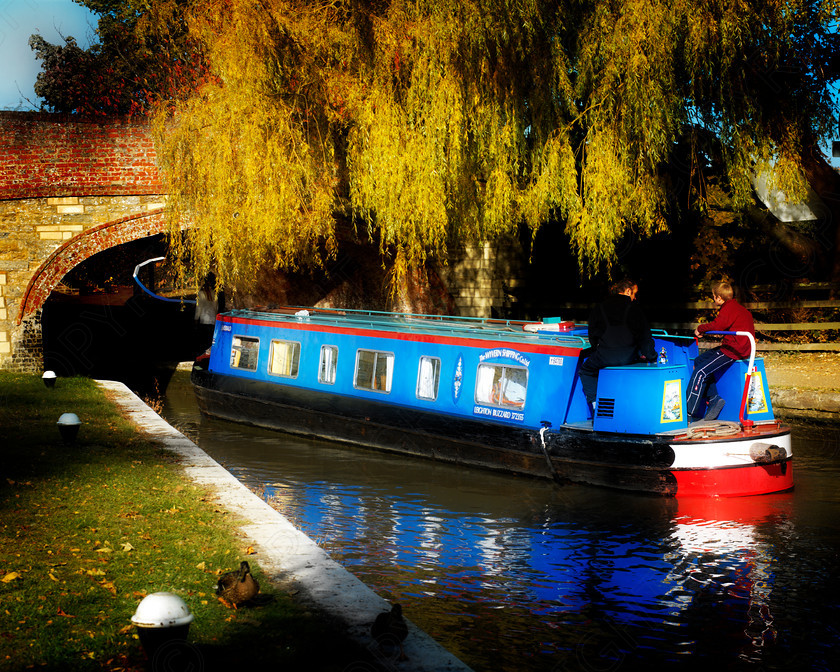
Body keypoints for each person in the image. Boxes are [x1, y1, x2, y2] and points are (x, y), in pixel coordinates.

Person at [579, 278, 656, 416]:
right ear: (628, 291)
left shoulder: (600, 307)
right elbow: (644, 337)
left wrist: (598, 350)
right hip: (629, 356)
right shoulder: (634, 309)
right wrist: (651, 356)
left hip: (604, 356)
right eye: (634, 294)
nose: (634, 297)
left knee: (586, 371)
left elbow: (593, 336)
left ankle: (597, 405)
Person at [686, 280, 755, 422]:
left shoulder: (728, 308)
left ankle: (688, 414)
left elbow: (719, 324)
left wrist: (700, 328)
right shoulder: (737, 308)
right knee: (699, 360)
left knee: (700, 372)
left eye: (713, 296)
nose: (713, 299)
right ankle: (714, 399)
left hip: (734, 350)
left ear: (719, 297)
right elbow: (725, 326)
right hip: (735, 346)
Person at [194, 274, 218, 353]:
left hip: (204, 320)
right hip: (213, 320)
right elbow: (216, 308)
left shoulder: (201, 294)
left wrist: (196, 319)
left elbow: (199, 308)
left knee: (204, 341)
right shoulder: (214, 293)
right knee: (210, 341)